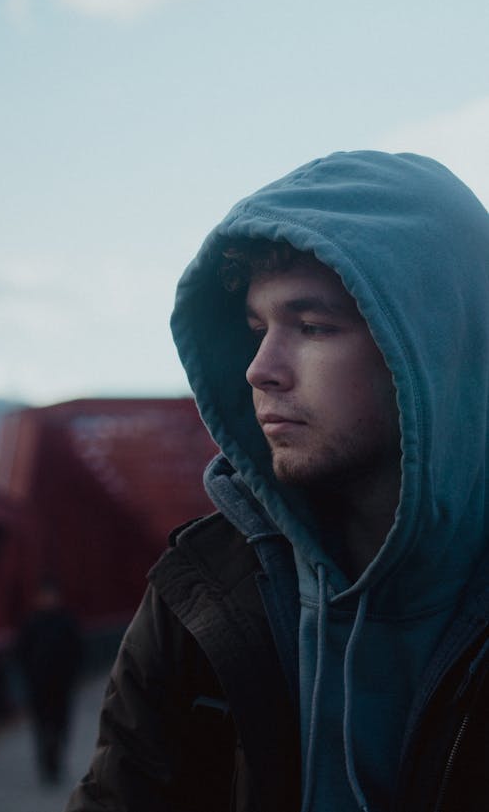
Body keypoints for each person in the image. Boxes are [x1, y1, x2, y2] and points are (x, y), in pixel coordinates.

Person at [66, 151, 489, 812]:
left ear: (437, 349)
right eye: (256, 329)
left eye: (313, 326)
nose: (259, 369)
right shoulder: (200, 590)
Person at [18, 581, 82, 783]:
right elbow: (21, 652)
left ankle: (55, 762)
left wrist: (72, 675)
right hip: (39, 685)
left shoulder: (66, 621)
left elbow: (77, 651)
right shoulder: (31, 623)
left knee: (59, 725)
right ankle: (47, 764)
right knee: (42, 726)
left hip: (61, 685)